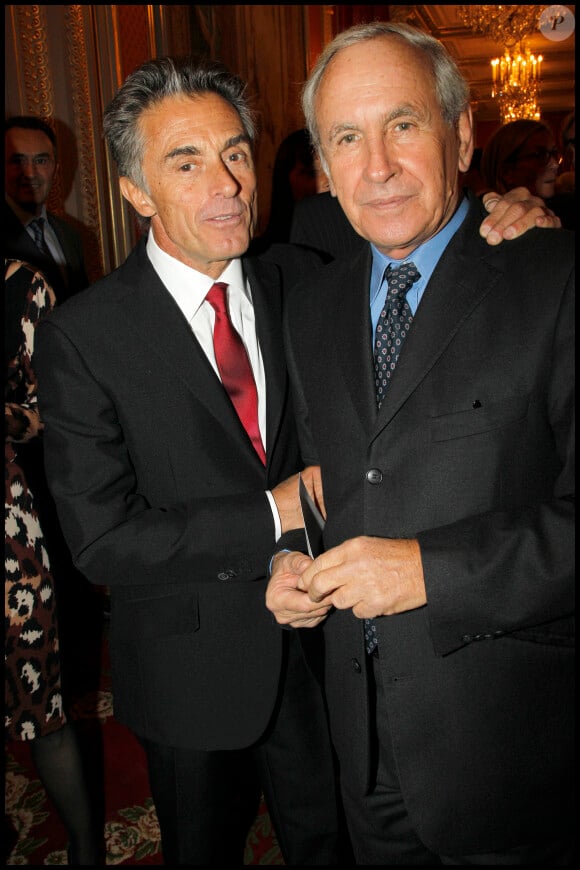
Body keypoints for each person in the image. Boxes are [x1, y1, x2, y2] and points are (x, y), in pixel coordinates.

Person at [266, 21, 574, 866]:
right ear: (323, 166)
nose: (377, 167)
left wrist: (428, 571)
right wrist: (292, 559)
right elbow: (340, 474)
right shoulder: (313, 308)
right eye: (346, 139)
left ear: (462, 132)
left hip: (517, 755)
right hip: (363, 749)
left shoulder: (555, 277)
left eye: (403, 124)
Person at [33, 56, 348, 867]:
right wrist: (271, 517)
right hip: (187, 669)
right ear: (136, 191)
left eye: (236, 153)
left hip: (316, 645)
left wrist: (506, 221)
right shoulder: (86, 336)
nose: (230, 183)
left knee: (329, 842)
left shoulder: (299, 282)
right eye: (187, 161)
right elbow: (103, 539)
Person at [5, 258, 103, 865]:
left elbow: (54, 411)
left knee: (42, 709)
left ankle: (87, 847)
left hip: (10, 533)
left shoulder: (21, 285)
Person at [5, 116, 90, 303]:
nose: (29, 173)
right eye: (18, 161)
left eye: (41, 161)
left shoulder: (70, 236)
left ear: (55, 169)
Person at [480, 117, 575, 229]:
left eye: (554, 153)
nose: (555, 165)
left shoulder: (568, 209)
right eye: (540, 155)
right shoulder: (483, 218)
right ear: (507, 172)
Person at [249, 127, 320, 254]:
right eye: (312, 174)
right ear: (285, 178)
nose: (326, 183)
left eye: (330, 174)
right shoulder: (260, 257)